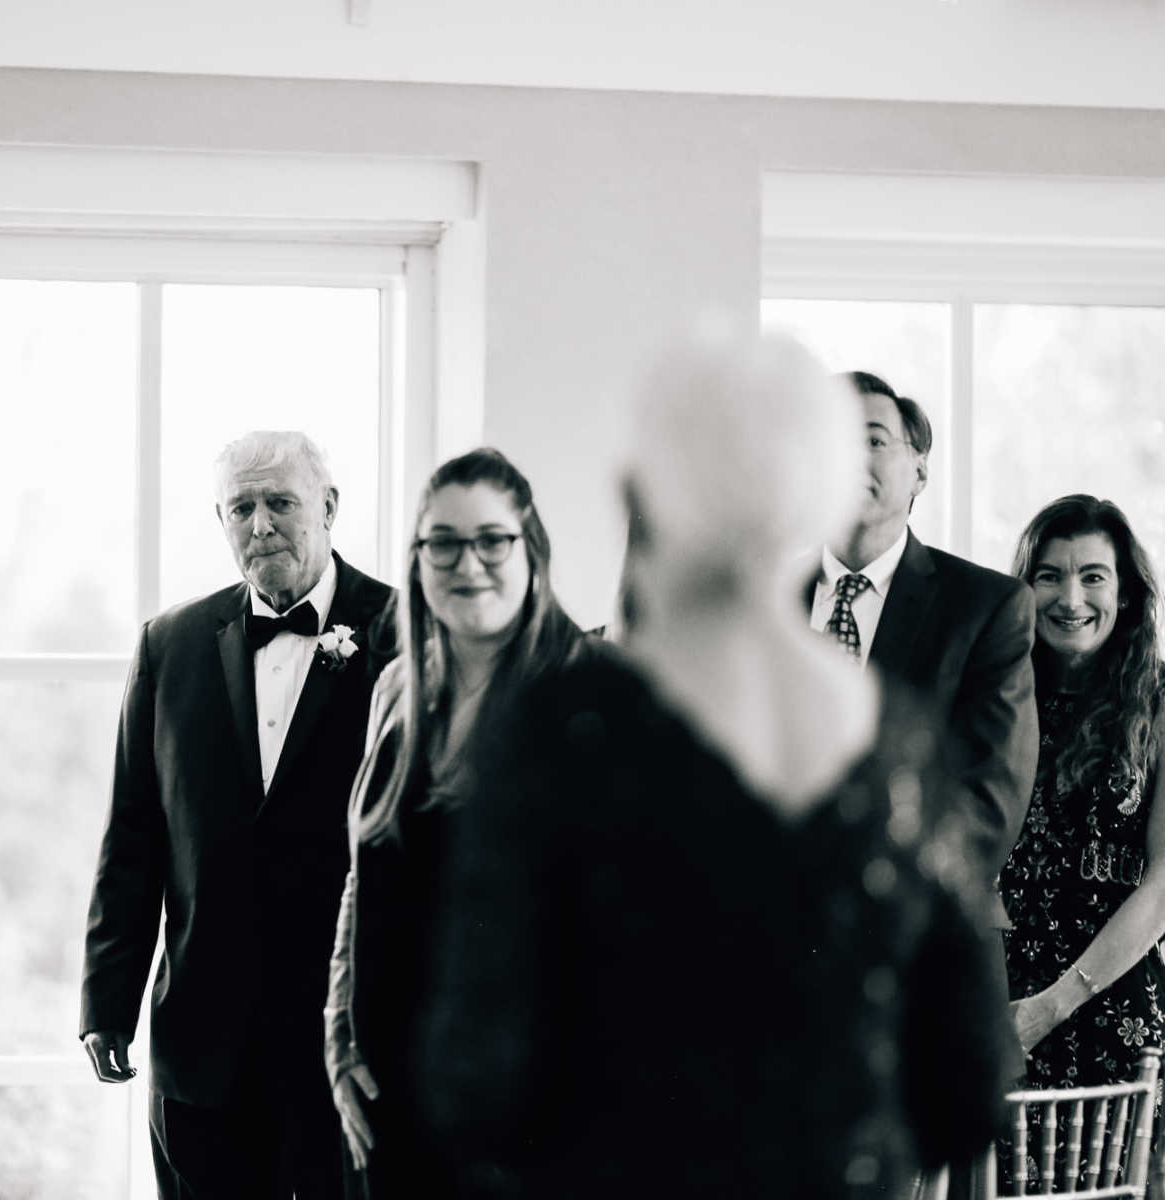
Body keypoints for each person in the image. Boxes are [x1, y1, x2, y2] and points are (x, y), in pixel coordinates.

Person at [410, 331, 1011, 1195]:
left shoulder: (561, 732)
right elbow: (967, 1086)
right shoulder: (899, 744)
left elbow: (474, 1081)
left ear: (642, 496)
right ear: (821, 495)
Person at [80, 431, 395, 1200]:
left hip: (350, 1039)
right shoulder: (170, 644)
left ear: (328, 507)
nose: (260, 525)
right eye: (240, 508)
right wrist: (106, 999)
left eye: (280, 503)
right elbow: (134, 832)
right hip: (201, 1042)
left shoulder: (404, 632)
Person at [324, 447, 587, 1196]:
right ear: (417, 558)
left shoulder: (589, 699)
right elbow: (361, 879)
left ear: (530, 548)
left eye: (491, 540)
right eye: (442, 541)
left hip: (532, 1128)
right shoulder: (397, 689)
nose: (467, 563)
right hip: (388, 1115)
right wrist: (339, 1039)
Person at [806, 370, 1038, 973]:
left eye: (874, 439)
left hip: (925, 957)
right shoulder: (758, 597)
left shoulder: (987, 608)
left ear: (921, 471)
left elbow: (988, 803)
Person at [999, 495, 1165, 1177]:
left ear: (1125, 594)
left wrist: (1054, 1004)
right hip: (995, 1006)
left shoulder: (1158, 702)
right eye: (1049, 575)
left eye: (1093, 575)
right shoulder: (992, 693)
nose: (1071, 598)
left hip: (1110, 1009)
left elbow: (1164, 887)